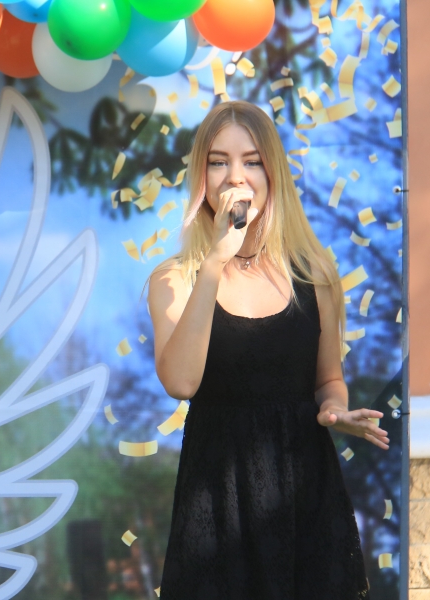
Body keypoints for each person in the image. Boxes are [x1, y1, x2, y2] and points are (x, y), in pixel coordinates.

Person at [148, 101, 387, 599]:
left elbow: (328, 378)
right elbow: (181, 382)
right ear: (201, 177)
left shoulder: (313, 274)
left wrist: (335, 411)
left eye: (252, 161)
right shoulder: (176, 279)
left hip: (305, 495)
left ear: (273, 173)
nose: (235, 176)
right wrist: (215, 261)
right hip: (218, 499)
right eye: (218, 162)